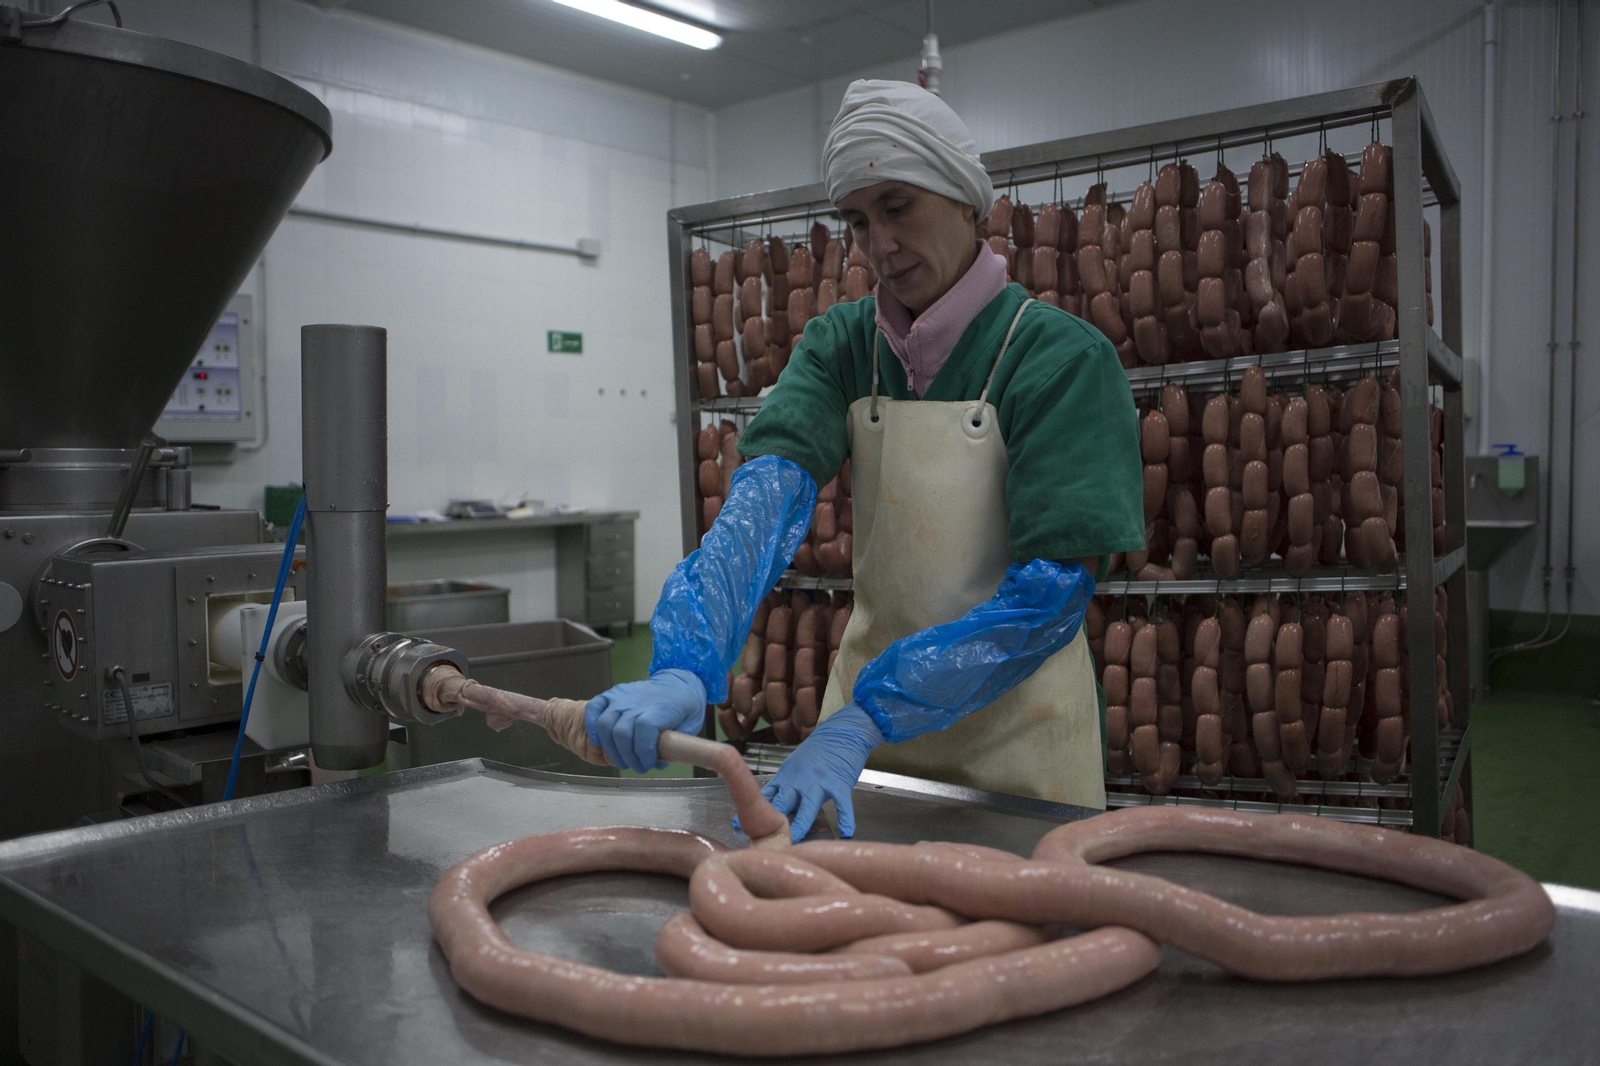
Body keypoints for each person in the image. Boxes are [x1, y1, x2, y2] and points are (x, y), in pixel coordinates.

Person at [587, 79, 1144, 842]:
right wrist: (689, 658)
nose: (878, 244)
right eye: (856, 220)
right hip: (862, 754)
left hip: (1021, 746)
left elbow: (1049, 595)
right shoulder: (844, 345)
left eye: (897, 206)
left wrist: (866, 718)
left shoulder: (1062, 359)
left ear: (965, 203)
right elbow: (766, 498)